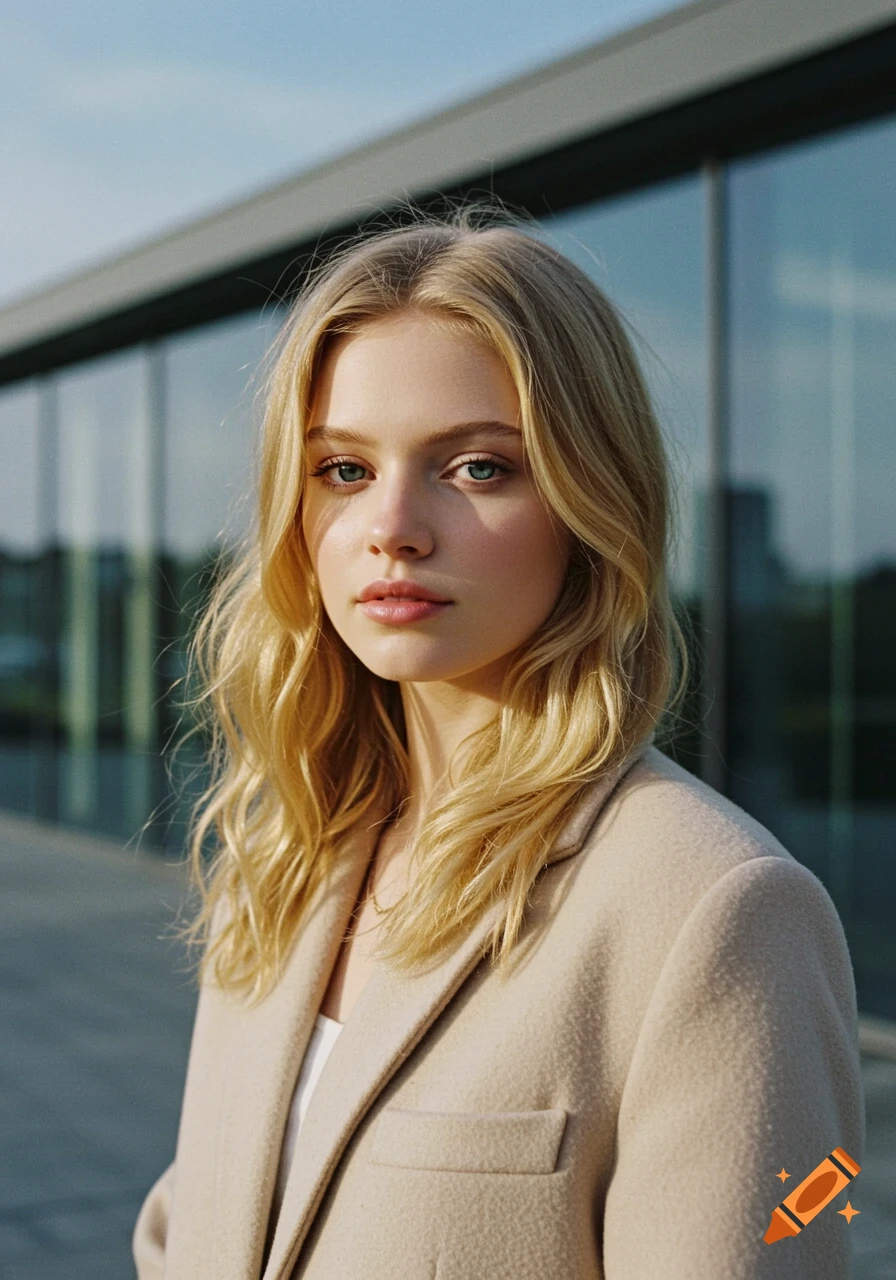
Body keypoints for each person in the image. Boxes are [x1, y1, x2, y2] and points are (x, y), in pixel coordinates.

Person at [133, 205, 864, 1280]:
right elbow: (187, 1224)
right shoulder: (287, 852)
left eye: (475, 467)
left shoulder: (717, 906)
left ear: (589, 499)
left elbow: (809, 1201)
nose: (392, 525)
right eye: (342, 470)